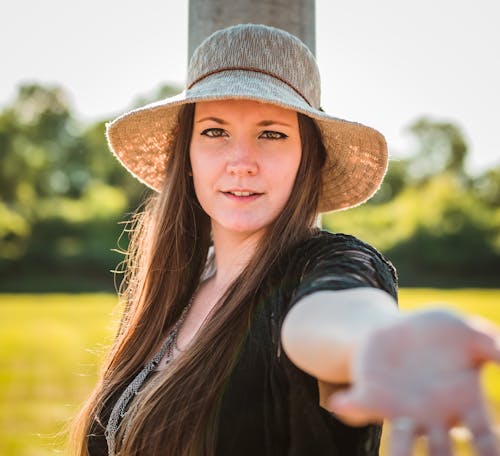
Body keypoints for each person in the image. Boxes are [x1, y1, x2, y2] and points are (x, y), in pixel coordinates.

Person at [70, 23, 500, 456]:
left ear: (306, 159)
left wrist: (382, 340)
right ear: (187, 155)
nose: (241, 162)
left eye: (271, 134)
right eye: (215, 132)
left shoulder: (323, 265)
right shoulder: (175, 286)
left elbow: (333, 317)